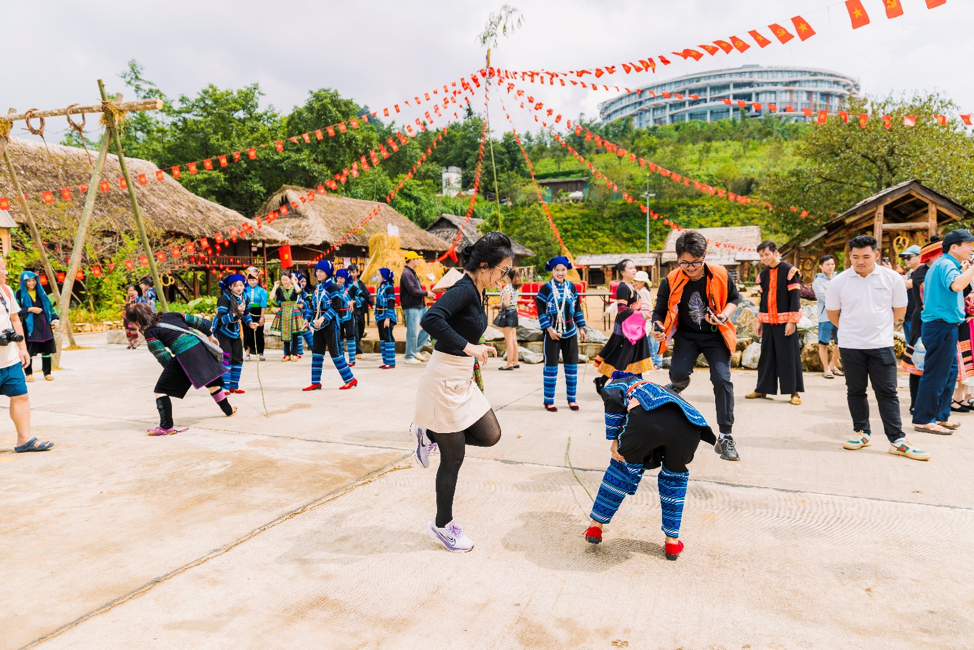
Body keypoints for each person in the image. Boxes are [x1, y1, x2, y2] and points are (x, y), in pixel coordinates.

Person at [410, 233, 511, 553]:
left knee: (490, 434)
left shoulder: (478, 289)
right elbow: (431, 318)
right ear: (484, 266)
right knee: (453, 458)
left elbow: (461, 325)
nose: (504, 277)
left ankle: (429, 433)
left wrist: (476, 350)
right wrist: (469, 347)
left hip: (462, 379)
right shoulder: (464, 289)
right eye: (503, 270)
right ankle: (442, 526)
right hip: (442, 380)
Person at [583, 372, 715, 561]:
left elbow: (612, 398)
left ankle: (596, 526)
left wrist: (614, 440)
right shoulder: (654, 388)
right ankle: (672, 542)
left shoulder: (619, 384)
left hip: (649, 422)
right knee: (674, 479)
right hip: (691, 427)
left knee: (621, 468)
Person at [825, 235, 929, 461]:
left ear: (876, 255)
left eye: (865, 256)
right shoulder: (838, 282)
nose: (860, 261)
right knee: (855, 391)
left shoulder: (892, 278)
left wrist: (877, 328)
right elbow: (833, 314)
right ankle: (861, 432)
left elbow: (899, 310)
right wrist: (854, 329)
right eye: (855, 257)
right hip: (851, 346)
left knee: (887, 393)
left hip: (881, 344)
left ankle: (897, 440)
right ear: (849, 256)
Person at [651, 230, 741, 462]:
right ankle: (680, 383)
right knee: (678, 374)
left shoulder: (720, 274)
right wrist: (657, 327)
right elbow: (659, 311)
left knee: (722, 380)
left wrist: (723, 315)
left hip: (715, 335)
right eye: (684, 263)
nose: (690, 268)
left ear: (705, 256)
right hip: (686, 336)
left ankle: (725, 436)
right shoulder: (670, 280)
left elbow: (734, 298)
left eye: (696, 263)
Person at [125, 302, 237, 435]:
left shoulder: (150, 332)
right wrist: (210, 336)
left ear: (137, 321)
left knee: (160, 390)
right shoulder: (171, 315)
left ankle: (166, 427)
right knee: (212, 383)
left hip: (185, 355)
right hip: (201, 348)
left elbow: (162, 355)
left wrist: (172, 374)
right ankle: (229, 410)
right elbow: (198, 321)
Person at [913, 229, 974, 434]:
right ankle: (923, 419)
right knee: (936, 374)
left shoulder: (945, 263)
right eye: (968, 244)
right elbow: (957, 286)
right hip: (940, 326)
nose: (971, 248)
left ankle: (940, 417)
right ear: (954, 247)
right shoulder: (946, 264)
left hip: (945, 326)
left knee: (948, 373)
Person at [0, 257, 53, 453]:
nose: (6, 272)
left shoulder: (5, 291)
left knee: (20, 396)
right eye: (3, 269)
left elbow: (14, 319)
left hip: (9, 359)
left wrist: (22, 347)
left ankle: (24, 439)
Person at [746, 241, 804, 405]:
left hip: (786, 322)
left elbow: (795, 298)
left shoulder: (790, 271)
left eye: (766, 254)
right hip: (769, 322)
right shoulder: (763, 274)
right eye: (761, 255)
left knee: (788, 356)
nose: (764, 257)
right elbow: (763, 300)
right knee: (767, 356)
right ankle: (762, 389)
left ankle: (794, 392)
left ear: (775, 252)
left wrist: (792, 321)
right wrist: (760, 321)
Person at [593, 259, 654, 392]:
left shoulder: (632, 286)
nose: (634, 270)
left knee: (632, 357)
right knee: (622, 358)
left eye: (634, 268)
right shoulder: (623, 288)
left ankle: (634, 384)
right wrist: (642, 315)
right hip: (626, 330)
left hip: (634, 329)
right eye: (630, 268)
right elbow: (622, 310)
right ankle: (614, 384)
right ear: (622, 272)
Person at [535, 256, 587, 411]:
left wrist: (581, 328)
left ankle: (572, 400)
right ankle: (549, 401)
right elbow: (540, 310)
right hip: (552, 333)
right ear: (552, 270)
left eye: (563, 269)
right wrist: (549, 329)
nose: (560, 272)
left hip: (570, 331)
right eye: (557, 269)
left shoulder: (571, 287)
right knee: (550, 367)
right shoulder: (546, 288)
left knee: (572, 367)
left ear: (567, 270)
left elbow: (577, 309)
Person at [302, 260, 357, 391]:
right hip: (318, 325)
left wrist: (322, 318)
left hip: (330, 324)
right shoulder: (317, 287)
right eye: (317, 271)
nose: (318, 273)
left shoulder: (332, 287)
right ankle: (315, 382)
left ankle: (350, 379)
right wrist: (307, 320)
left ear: (327, 273)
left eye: (321, 271)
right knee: (317, 352)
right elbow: (312, 306)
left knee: (335, 352)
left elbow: (336, 306)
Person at [901, 240, 942, 413]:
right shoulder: (920, 273)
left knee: (933, 364)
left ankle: (930, 403)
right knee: (918, 361)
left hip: (934, 321)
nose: (906, 261)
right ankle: (915, 403)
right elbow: (932, 294)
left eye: (908, 257)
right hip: (920, 322)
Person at [215, 273, 257, 394]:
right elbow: (221, 319)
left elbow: (246, 314)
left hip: (236, 331)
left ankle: (234, 385)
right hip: (223, 331)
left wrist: (250, 323)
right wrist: (235, 312)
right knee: (226, 357)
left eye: (241, 285)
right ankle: (224, 387)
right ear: (230, 287)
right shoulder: (224, 298)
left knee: (238, 357)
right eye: (235, 285)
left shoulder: (245, 297)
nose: (239, 288)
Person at [15, 271, 59, 382]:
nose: (31, 283)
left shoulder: (41, 292)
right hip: (30, 326)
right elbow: (15, 311)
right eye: (28, 281)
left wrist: (54, 319)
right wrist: (29, 309)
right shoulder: (19, 294)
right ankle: (28, 374)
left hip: (44, 324)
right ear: (24, 282)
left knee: (46, 350)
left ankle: (47, 373)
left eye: (33, 280)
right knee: (29, 350)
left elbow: (49, 308)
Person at [401, 251, 436, 364]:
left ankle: (415, 350)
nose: (418, 261)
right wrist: (426, 293)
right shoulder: (406, 273)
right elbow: (412, 290)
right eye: (417, 259)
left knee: (429, 326)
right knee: (412, 332)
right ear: (412, 260)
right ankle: (409, 356)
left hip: (420, 305)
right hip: (412, 306)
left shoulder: (411, 273)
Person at [813, 255, 841, 379]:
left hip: (841, 316)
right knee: (823, 343)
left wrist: (830, 293)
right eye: (828, 264)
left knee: (840, 342)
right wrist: (837, 296)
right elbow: (823, 297)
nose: (831, 266)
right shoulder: (817, 282)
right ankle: (825, 368)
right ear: (821, 267)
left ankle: (832, 365)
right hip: (825, 316)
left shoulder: (839, 279)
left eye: (832, 264)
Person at [270, 273, 302, 361]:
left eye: (286, 279)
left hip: (293, 312)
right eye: (282, 280)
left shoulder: (294, 288)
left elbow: (299, 291)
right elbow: (271, 297)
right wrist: (275, 286)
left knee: (295, 334)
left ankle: (295, 354)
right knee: (285, 333)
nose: (284, 282)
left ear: (290, 279)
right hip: (283, 312)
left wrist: (294, 282)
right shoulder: (280, 289)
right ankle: (287, 354)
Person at [633, 270, 662, 369]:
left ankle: (656, 363)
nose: (635, 282)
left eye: (637, 280)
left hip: (647, 320)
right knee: (650, 342)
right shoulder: (641, 291)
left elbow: (646, 306)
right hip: (646, 319)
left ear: (642, 282)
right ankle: (653, 362)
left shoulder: (642, 291)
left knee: (652, 342)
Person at [496, 269, 522, 371]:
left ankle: (509, 363)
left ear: (508, 277)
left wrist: (496, 305)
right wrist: (499, 289)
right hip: (514, 312)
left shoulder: (507, 288)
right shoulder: (514, 288)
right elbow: (507, 299)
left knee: (508, 340)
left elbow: (506, 304)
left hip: (508, 314)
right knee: (514, 339)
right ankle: (515, 361)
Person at [242, 267, 268, 362]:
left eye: (254, 280)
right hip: (247, 313)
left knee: (259, 333)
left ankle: (261, 353)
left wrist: (262, 317)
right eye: (250, 280)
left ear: (258, 280)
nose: (252, 282)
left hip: (258, 313)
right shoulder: (244, 290)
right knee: (247, 333)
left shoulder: (262, 291)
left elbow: (263, 305)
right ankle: (247, 354)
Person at [348, 264, 373, 359]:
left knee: (361, 328)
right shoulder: (347, 284)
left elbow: (367, 295)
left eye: (353, 272)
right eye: (350, 272)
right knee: (355, 330)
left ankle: (356, 345)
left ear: (357, 273)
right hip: (352, 309)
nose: (352, 274)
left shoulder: (361, 284)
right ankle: (358, 351)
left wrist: (372, 304)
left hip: (360, 309)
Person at [334, 269, 358, 366]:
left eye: (342, 278)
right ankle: (341, 359)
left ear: (346, 278)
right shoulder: (335, 288)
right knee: (339, 336)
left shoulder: (352, 287)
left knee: (350, 335)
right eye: (338, 278)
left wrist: (353, 302)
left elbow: (361, 296)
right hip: (338, 315)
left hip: (348, 314)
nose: (339, 280)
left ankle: (352, 359)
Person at [899, 245, 922, 344]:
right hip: (908, 317)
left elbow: (908, 284)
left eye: (909, 257)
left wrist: (890, 274)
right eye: (905, 258)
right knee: (911, 351)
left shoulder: (924, 272)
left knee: (920, 352)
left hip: (919, 319)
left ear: (920, 257)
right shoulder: (912, 273)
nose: (906, 260)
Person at [375, 267, 398, 369]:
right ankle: (385, 361)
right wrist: (376, 317)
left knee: (388, 337)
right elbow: (377, 303)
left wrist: (388, 318)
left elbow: (391, 303)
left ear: (384, 276)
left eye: (378, 275)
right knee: (382, 338)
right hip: (380, 316)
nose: (376, 277)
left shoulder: (389, 288)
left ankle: (391, 362)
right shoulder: (380, 288)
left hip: (387, 317)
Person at [124, 284, 146, 349]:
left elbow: (135, 305)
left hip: (132, 316)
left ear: (134, 291)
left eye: (132, 290)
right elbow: (127, 306)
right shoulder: (127, 298)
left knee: (133, 330)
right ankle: (130, 343)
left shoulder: (135, 298)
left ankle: (136, 343)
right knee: (127, 330)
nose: (130, 292)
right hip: (126, 316)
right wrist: (122, 306)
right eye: (129, 290)